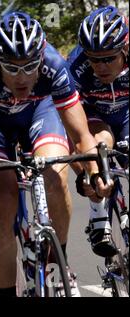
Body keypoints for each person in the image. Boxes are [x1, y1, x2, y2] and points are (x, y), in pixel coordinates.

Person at [0, 12, 113, 297]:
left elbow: (82, 138)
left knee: (55, 175)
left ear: (41, 58)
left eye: (31, 66)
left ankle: (58, 261)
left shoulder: (54, 66)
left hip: (39, 111)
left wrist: (95, 174)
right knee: (4, 201)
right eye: (12, 67)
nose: (22, 76)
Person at [68, 6, 129, 257]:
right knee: (98, 146)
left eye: (108, 58)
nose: (100, 66)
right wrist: (85, 173)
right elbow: (70, 130)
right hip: (94, 115)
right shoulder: (75, 67)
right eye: (94, 58)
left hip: (126, 112)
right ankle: (98, 216)